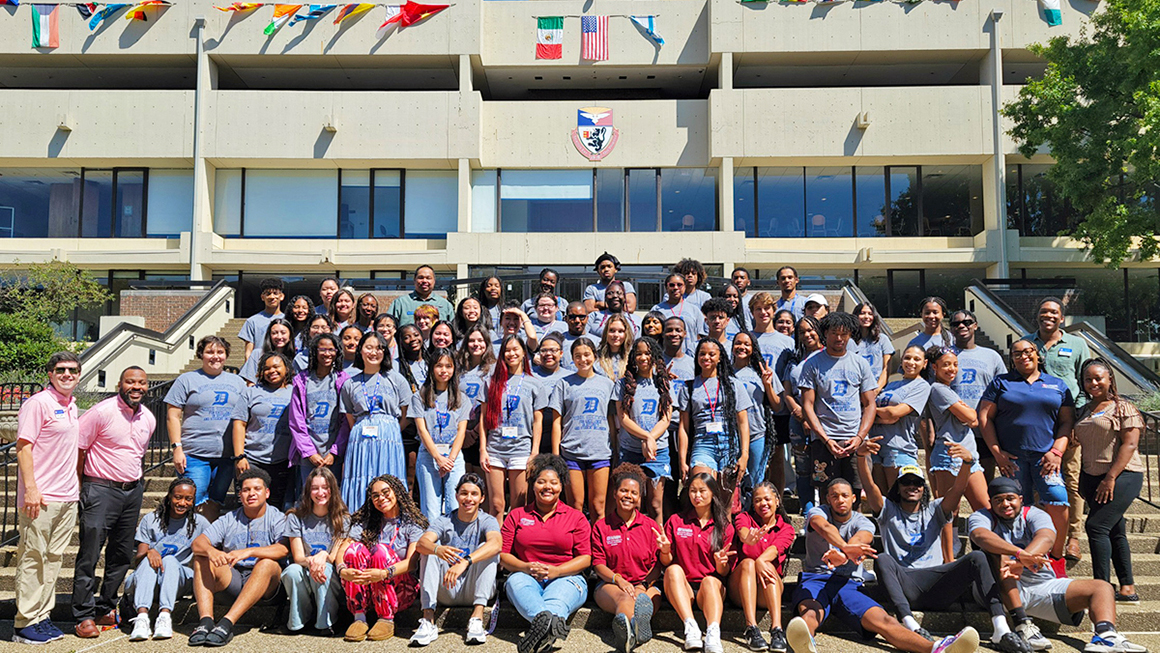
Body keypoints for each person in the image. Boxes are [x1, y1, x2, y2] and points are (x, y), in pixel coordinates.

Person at [857, 438, 1027, 653]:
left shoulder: (936, 509)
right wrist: (861, 457)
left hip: (938, 583)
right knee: (882, 559)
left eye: (917, 483)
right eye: (906, 482)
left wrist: (967, 463)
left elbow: (957, 490)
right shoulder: (888, 509)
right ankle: (910, 624)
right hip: (905, 583)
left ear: (923, 488)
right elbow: (869, 485)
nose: (912, 486)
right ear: (898, 488)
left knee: (978, 557)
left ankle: (1001, 629)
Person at [785, 478, 981, 653]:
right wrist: (845, 548)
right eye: (834, 496)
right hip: (816, 579)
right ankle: (805, 643)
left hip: (849, 584)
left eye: (844, 495)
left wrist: (843, 555)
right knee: (810, 613)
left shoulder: (864, 522)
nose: (840, 500)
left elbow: (862, 539)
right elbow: (824, 527)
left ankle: (936, 648)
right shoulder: (818, 512)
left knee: (885, 620)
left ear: (854, 498)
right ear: (828, 499)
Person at [969, 477, 1146, 653]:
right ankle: (1022, 625)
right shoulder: (981, 516)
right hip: (999, 591)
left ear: (1020, 499)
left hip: (1042, 587)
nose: (1005, 504)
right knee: (997, 553)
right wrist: (1019, 555)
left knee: (1102, 587)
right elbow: (980, 536)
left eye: (1010, 498)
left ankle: (1105, 636)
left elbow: (1046, 537)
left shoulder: (1034, 513)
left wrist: (1021, 561)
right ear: (990, 503)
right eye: (998, 500)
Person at [73, 366, 155, 637]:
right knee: (90, 553)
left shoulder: (149, 418)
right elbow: (79, 449)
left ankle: (106, 606)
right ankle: (83, 615)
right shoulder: (102, 411)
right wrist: (82, 487)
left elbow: (137, 454)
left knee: (121, 554)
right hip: (100, 488)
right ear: (120, 383)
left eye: (142, 383)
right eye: (130, 381)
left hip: (132, 491)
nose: (137, 387)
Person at [979, 340, 1074, 562]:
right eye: (1017, 353)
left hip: (1046, 458)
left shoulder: (1057, 385)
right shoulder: (1000, 383)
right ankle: (1023, 556)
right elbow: (985, 418)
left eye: (1028, 351)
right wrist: (998, 454)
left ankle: (1057, 556)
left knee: (1058, 499)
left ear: (1037, 355)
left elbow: (1067, 422)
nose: (1023, 356)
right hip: (1013, 459)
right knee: (1019, 507)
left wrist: (1057, 452)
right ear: (1012, 358)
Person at [11, 353, 82, 645]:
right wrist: (30, 488)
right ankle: (24, 622)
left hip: (67, 496)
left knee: (53, 559)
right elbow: (23, 447)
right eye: (60, 370)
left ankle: (42, 616)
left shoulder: (72, 405)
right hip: (40, 497)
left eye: (73, 370)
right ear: (50, 374)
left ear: (79, 374)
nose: (67, 375)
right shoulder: (38, 403)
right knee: (33, 558)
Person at [500, 454, 592, 653]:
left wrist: (556, 571)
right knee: (516, 583)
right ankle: (549, 625)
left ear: (561, 486)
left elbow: (585, 558)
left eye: (553, 483)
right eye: (541, 482)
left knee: (558, 599)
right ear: (533, 486)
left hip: (567, 576)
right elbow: (503, 554)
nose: (547, 487)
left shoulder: (576, 517)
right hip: (525, 575)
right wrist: (525, 567)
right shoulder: (517, 515)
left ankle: (543, 626)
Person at [1022, 297, 1090, 563]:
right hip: (1037, 425)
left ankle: (1073, 537)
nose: (1047, 316)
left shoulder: (1076, 344)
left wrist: (1076, 420)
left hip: (1068, 425)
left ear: (1062, 318)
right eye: (1042, 312)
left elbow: (1084, 384)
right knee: (1039, 481)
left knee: (1070, 480)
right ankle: (1043, 533)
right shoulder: (1027, 343)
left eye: (1053, 312)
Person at [189, 468, 288, 647]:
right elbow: (197, 544)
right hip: (233, 578)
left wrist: (249, 552)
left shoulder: (277, 518)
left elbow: (283, 550)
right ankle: (205, 622)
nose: (251, 494)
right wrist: (212, 552)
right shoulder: (229, 519)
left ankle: (227, 623)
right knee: (201, 557)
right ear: (240, 495)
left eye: (257, 489)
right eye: (246, 490)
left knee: (266, 564)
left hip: (266, 587)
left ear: (267, 493)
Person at [1075, 359, 1145, 601]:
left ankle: (1101, 588)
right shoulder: (1084, 410)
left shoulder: (1123, 407)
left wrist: (1110, 477)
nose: (1093, 383)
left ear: (1110, 380)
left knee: (1096, 526)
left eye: (1098, 378)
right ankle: (1128, 588)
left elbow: (1130, 444)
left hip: (1122, 476)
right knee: (1115, 530)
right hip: (1093, 478)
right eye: (1088, 379)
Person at [411, 474, 501, 646]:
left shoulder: (487, 520)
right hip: (447, 588)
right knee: (430, 549)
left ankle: (477, 618)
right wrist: (438, 549)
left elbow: (497, 544)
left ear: (482, 498)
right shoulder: (444, 520)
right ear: (456, 496)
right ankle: (428, 620)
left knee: (488, 548)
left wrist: (466, 561)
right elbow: (421, 543)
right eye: (464, 493)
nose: (468, 498)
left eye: (474, 494)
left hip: (476, 588)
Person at [336, 474, 427, 643]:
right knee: (354, 550)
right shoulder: (367, 521)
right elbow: (343, 548)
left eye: (386, 492)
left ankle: (386, 618)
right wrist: (342, 569)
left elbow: (411, 563)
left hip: (399, 589)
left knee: (380, 551)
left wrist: (385, 573)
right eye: (375, 495)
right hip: (369, 588)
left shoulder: (411, 523)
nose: (381, 498)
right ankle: (359, 617)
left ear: (397, 492)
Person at [165, 336, 247, 521]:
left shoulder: (238, 382)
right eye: (210, 352)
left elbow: (243, 418)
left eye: (220, 352)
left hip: (226, 456)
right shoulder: (186, 380)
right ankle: (182, 540)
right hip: (194, 454)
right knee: (190, 498)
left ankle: (204, 542)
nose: (215, 356)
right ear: (201, 354)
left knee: (215, 501)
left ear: (226, 355)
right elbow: (172, 416)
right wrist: (177, 447)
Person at [799, 312, 878, 498]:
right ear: (825, 333)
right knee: (827, 494)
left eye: (844, 333)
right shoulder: (812, 364)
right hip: (824, 440)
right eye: (834, 333)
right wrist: (825, 439)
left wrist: (859, 438)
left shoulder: (860, 363)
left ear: (850, 334)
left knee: (855, 494)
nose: (839, 338)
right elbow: (807, 405)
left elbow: (869, 404)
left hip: (854, 440)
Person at [126, 478, 209, 642]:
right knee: (147, 563)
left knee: (170, 560)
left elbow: (214, 549)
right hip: (148, 579)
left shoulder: (200, 523)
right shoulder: (151, 519)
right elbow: (138, 561)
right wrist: (150, 552)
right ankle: (142, 618)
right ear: (169, 496)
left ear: (193, 500)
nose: (182, 502)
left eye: (188, 499)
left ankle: (164, 616)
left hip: (177, 580)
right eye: (178, 497)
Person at [592, 465, 664, 653]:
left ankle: (631, 632)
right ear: (615, 493)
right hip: (610, 585)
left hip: (645, 584)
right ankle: (633, 629)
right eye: (623, 490)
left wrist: (643, 584)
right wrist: (618, 579)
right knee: (625, 598)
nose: (628, 496)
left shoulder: (650, 526)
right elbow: (598, 564)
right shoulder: (601, 527)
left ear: (640, 498)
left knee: (647, 599)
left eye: (634, 492)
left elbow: (658, 563)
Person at [339, 331, 414, 509]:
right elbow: (350, 416)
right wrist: (361, 428)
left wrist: (392, 428)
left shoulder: (396, 379)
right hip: (360, 439)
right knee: (360, 477)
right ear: (360, 351)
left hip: (389, 437)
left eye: (379, 348)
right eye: (369, 347)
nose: (374, 352)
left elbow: (408, 414)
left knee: (388, 479)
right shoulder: (350, 384)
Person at [662, 472, 735, 653]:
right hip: (683, 587)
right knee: (673, 570)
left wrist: (721, 562)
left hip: (710, 589)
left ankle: (712, 632)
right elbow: (666, 561)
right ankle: (691, 627)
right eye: (693, 491)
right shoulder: (676, 521)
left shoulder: (725, 527)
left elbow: (724, 572)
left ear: (713, 493)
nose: (697, 495)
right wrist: (664, 551)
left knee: (710, 580)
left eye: (702, 491)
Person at [481, 334, 547, 516]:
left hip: (521, 450)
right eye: (507, 350)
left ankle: (515, 543)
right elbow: (483, 419)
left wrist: (534, 452)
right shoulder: (491, 382)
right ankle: (496, 544)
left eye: (515, 349)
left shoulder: (535, 384)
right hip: (495, 449)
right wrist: (483, 449)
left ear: (523, 352)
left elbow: (538, 421)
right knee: (496, 505)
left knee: (519, 505)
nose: (511, 354)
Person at [550, 337, 615, 519]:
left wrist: (615, 449)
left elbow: (611, 420)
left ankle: (598, 546)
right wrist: (556, 455)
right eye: (577, 356)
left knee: (598, 506)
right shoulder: (564, 384)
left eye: (587, 355)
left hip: (599, 451)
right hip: (572, 452)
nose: (583, 359)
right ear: (572, 358)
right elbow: (557, 421)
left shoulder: (607, 384)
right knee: (575, 506)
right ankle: (577, 545)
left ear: (594, 356)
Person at [676, 339, 752, 490]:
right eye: (702, 354)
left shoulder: (733, 384)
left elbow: (743, 423)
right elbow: (683, 427)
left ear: (720, 357)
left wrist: (744, 455)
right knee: (702, 490)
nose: (706, 358)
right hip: (703, 444)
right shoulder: (688, 387)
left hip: (729, 444)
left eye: (712, 354)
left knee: (725, 501)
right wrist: (682, 461)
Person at [280, 467, 348, 635]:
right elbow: (298, 558)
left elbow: (333, 557)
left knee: (323, 568)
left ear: (332, 489)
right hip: (306, 572)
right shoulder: (295, 517)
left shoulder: (343, 519)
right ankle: (298, 622)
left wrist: (322, 556)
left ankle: (326, 622)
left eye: (325, 487)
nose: (320, 492)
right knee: (291, 571)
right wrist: (312, 561)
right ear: (308, 491)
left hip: (330, 576)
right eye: (315, 488)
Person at [729, 481, 795, 652]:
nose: (763, 504)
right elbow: (742, 532)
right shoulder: (744, 518)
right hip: (740, 588)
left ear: (777, 501)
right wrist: (747, 538)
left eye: (767, 499)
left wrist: (760, 561)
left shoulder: (786, 528)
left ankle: (777, 629)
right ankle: (751, 628)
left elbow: (774, 551)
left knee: (766, 564)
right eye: (757, 500)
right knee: (748, 563)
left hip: (767, 590)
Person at [614, 337, 674, 523]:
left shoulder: (663, 383)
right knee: (633, 504)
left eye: (647, 353)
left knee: (656, 504)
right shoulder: (623, 384)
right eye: (638, 353)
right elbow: (623, 418)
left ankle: (659, 546)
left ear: (655, 356)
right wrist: (646, 437)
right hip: (631, 451)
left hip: (658, 452)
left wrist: (651, 440)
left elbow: (666, 418)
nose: (643, 357)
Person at [925, 346, 989, 517]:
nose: (952, 369)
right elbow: (971, 416)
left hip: (969, 453)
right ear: (934, 367)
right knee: (949, 513)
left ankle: (984, 543)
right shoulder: (938, 389)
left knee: (985, 509)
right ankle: (949, 545)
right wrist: (968, 414)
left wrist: (969, 416)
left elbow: (973, 420)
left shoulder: (949, 390)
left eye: (955, 364)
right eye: (946, 364)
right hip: (949, 455)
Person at [411, 347, 471, 521]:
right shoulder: (420, 397)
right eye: (439, 366)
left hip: (454, 457)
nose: (444, 370)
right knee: (431, 508)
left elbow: (461, 431)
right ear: (431, 368)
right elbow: (422, 430)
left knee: (455, 505)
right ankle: (433, 548)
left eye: (448, 366)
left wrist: (449, 460)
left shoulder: (461, 398)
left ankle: (452, 545)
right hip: (429, 456)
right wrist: (438, 458)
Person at [949, 309, 1007, 480]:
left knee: (985, 480)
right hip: (953, 430)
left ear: (975, 326)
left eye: (966, 322)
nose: (961, 326)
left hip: (984, 430)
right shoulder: (945, 355)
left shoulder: (992, 356)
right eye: (956, 323)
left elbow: (1002, 392)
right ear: (951, 329)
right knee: (955, 485)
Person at [231, 352, 295, 508]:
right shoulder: (251, 392)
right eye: (266, 368)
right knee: (249, 505)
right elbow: (239, 424)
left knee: (277, 506)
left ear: (286, 368)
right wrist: (239, 457)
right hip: (252, 459)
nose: (271, 371)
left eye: (276, 367)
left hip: (283, 461)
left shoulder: (295, 392)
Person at [289, 333, 350, 487]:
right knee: (309, 494)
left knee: (333, 496)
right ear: (314, 352)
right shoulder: (302, 380)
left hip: (333, 453)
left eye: (331, 349)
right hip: (309, 453)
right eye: (322, 349)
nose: (327, 354)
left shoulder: (343, 380)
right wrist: (309, 452)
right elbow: (296, 421)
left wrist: (335, 452)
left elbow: (345, 421)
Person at [868, 345, 931, 494]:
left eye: (917, 359)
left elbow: (894, 413)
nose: (911, 362)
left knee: (899, 499)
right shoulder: (891, 385)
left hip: (898, 448)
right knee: (882, 502)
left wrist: (871, 413)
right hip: (876, 446)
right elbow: (888, 415)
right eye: (907, 358)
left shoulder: (921, 386)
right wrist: (880, 416)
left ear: (925, 363)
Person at [731, 331, 784, 486]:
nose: (742, 347)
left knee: (755, 481)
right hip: (732, 435)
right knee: (732, 481)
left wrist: (768, 385)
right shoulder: (724, 372)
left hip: (757, 433)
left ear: (753, 348)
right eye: (738, 343)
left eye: (747, 344)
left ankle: (752, 510)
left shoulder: (761, 372)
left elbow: (778, 406)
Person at [783, 316, 824, 514]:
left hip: (822, 422)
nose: (807, 335)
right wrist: (799, 413)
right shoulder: (793, 360)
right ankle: (808, 510)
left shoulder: (828, 356)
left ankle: (823, 512)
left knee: (822, 468)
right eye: (802, 332)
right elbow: (787, 393)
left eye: (811, 330)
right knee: (802, 468)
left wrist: (811, 418)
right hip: (798, 420)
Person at [651, 273, 705, 356]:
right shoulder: (657, 309)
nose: (676, 288)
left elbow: (700, 336)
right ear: (666, 288)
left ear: (685, 287)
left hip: (690, 358)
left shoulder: (694, 310)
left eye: (679, 285)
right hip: (663, 358)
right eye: (672, 285)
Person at [389, 265, 454, 326]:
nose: (424, 281)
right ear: (414, 280)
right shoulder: (400, 303)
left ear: (434, 281)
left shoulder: (445, 305)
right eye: (421, 277)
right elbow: (388, 325)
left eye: (428, 278)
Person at [850, 302, 894, 392]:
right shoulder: (849, 341)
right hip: (856, 391)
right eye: (862, 313)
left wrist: (877, 390)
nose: (866, 317)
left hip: (879, 389)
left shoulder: (882, 339)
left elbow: (887, 368)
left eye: (870, 314)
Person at [239, 318, 297, 385]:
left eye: (283, 333)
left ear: (290, 335)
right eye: (274, 333)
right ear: (269, 335)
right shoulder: (257, 354)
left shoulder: (296, 357)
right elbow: (250, 383)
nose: (279, 336)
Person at [240, 277, 285, 360]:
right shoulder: (252, 321)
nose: (272, 297)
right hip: (259, 365)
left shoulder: (288, 320)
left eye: (275, 293)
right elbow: (248, 351)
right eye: (268, 294)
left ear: (281, 296)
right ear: (262, 297)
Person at [559, 301, 599, 371]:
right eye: (572, 317)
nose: (577, 320)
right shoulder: (559, 341)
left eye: (581, 317)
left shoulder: (598, 342)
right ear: (566, 319)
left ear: (587, 318)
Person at [595, 313, 634, 382]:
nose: (616, 335)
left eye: (620, 331)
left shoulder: (633, 357)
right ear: (606, 333)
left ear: (626, 334)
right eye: (612, 331)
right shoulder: (596, 357)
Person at [662, 316, 697, 382]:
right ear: (663, 334)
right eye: (669, 330)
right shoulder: (655, 363)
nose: (674, 334)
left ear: (685, 334)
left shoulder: (694, 364)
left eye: (678, 330)